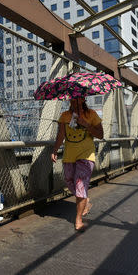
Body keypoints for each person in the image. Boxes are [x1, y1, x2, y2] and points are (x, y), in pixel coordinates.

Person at [51, 97, 103, 231]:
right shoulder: (65, 116)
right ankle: (85, 200)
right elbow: (61, 135)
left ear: (83, 99)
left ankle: (78, 219)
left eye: (77, 99)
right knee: (70, 182)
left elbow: (101, 134)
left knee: (80, 185)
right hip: (69, 155)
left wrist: (86, 125)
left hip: (86, 155)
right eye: (72, 99)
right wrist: (55, 150)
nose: (75, 101)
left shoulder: (91, 114)